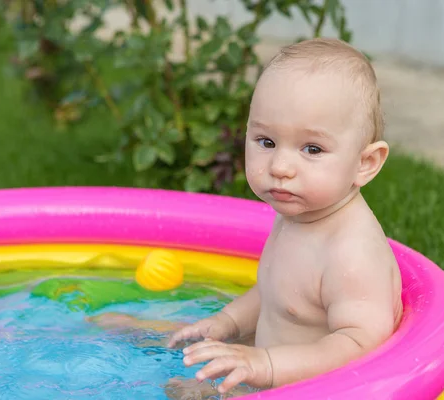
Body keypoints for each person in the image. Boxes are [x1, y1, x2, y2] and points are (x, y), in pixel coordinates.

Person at [90, 37, 403, 399]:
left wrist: (265, 365)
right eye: (266, 141)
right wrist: (225, 324)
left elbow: (360, 345)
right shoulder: (299, 216)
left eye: (312, 149)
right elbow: (277, 295)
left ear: (366, 163)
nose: (280, 167)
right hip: (262, 372)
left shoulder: (352, 250)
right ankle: (154, 336)